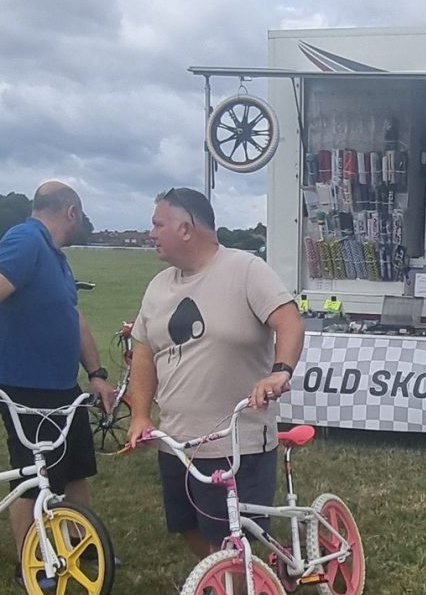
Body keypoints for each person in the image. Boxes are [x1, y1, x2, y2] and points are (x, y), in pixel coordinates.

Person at [125, 188, 304, 557]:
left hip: (236, 443)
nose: (151, 233)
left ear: (186, 228)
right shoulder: (158, 286)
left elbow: (289, 322)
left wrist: (279, 372)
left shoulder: (246, 269)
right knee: (187, 526)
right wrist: (140, 415)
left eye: (158, 225)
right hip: (176, 442)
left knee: (229, 540)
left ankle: (230, 588)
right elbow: (144, 352)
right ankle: (220, 577)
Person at [0, 181, 117, 559]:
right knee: (33, 476)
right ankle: (32, 562)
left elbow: (73, 317)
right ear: (71, 212)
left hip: (62, 386)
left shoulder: (55, 256)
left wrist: (96, 374)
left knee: (75, 469)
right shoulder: (24, 241)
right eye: (81, 216)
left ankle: (83, 548)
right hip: (28, 387)